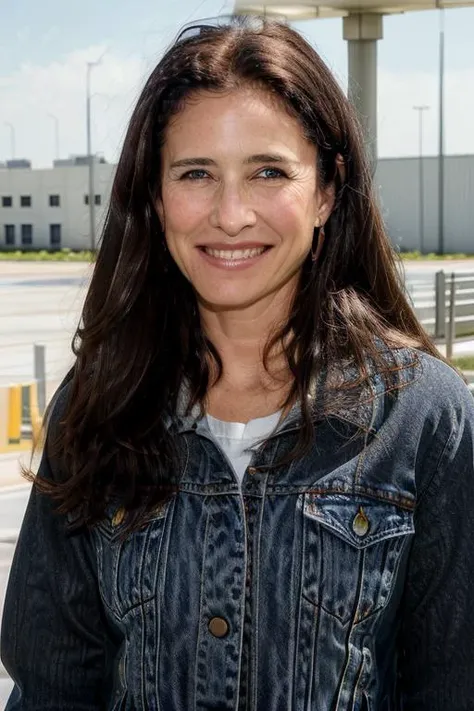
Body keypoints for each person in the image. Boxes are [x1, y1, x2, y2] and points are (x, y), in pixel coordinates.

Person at [1, 15, 474, 710]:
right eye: (196, 173)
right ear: (158, 198)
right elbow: (53, 688)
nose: (229, 214)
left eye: (267, 172)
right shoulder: (98, 401)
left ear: (324, 193)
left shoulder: (426, 416)